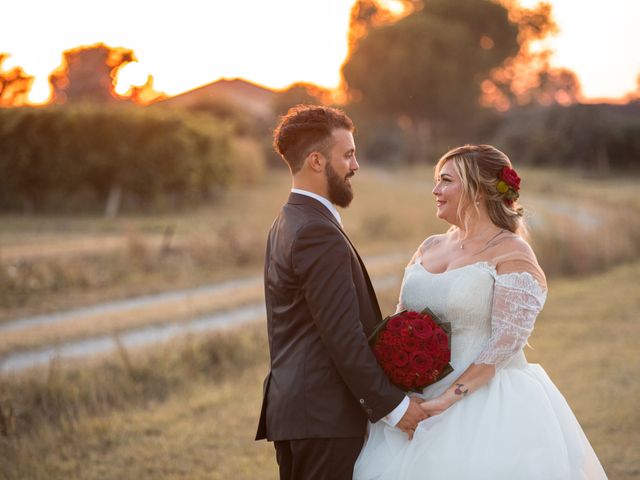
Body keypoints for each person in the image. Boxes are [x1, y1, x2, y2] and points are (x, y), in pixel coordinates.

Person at [354, 144, 608, 480]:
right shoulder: (430, 246)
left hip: (481, 405)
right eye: (436, 180)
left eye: (446, 180)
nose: (435, 190)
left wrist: (446, 401)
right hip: (412, 401)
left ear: (477, 190)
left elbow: (505, 344)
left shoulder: (511, 252)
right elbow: (400, 321)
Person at [255, 105, 427, 480]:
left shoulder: (287, 221)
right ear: (317, 161)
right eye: (348, 154)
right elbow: (342, 335)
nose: (356, 165)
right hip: (324, 418)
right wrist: (394, 408)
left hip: (301, 413)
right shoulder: (316, 232)